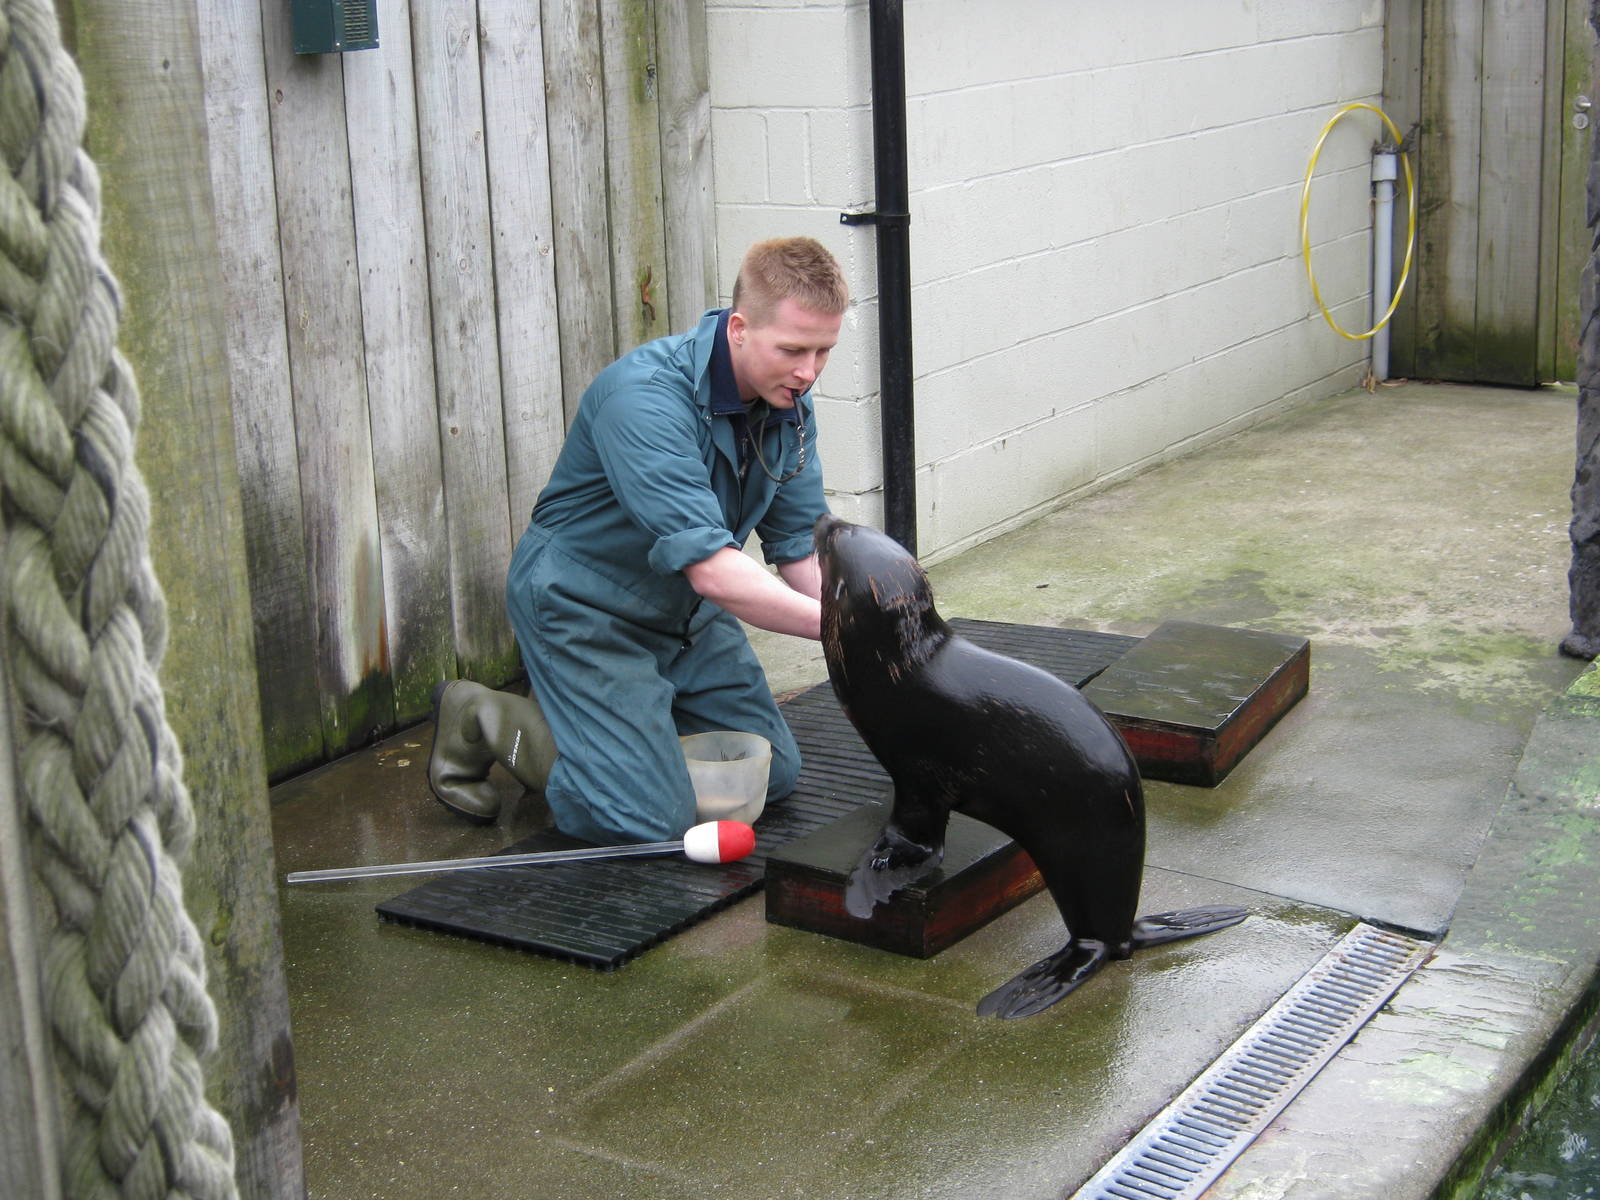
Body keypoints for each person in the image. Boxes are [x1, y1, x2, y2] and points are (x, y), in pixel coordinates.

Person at [427, 237, 849, 843]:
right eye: (793, 349)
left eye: (824, 351)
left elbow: (798, 551)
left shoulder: (790, 408)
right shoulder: (645, 399)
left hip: (685, 615)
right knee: (649, 819)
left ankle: (623, 737)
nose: (809, 372)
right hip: (583, 610)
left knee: (771, 777)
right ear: (738, 328)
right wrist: (843, 630)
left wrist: (854, 614)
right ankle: (489, 715)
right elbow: (714, 570)